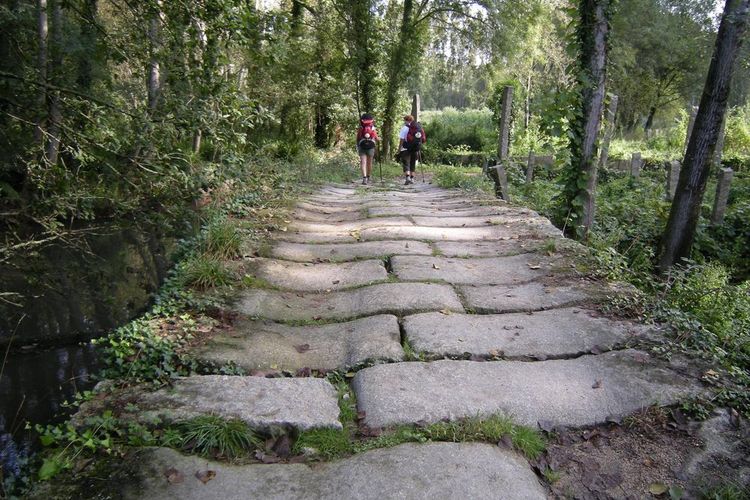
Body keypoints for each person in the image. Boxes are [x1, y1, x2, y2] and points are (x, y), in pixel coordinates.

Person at [398, 114, 426, 185]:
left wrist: (399, 148)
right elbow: (422, 138)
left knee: (406, 162)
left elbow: (401, 139)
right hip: (416, 148)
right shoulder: (418, 127)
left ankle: (407, 178)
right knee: (413, 163)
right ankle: (412, 178)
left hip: (406, 148)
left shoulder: (405, 128)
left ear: (406, 120)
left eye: (404, 120)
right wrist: (419, 145)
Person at [356, 113, 379, 185]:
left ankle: (364, 178)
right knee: (369, 163)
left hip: (362, 145)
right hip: (371, 146)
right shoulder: (372, 127)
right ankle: (368, 177)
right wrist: (378, 139)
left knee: (363, 162)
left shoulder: (361, 127)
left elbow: (358, 137)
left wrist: (357, 144)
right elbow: (376, 138)